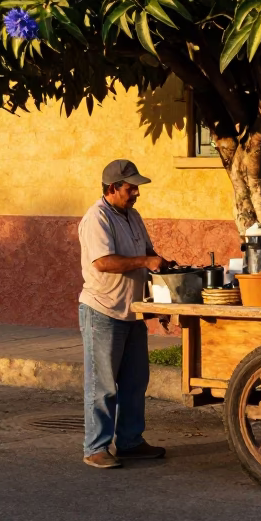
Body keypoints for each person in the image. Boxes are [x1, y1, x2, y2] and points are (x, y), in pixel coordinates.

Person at [79, 159, 174, 469]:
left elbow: (149, 257)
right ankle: (96, 447)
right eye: (130, 188)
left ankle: (130, 442)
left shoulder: (133, 216)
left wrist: (161, 299)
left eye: (137, 188)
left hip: (132, 311)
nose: (136, 193)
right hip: (102, 311)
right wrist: (145, 262)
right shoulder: (97, 218)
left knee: (134, 382)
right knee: (103, 385)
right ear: (112, 188)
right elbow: (103, 262)